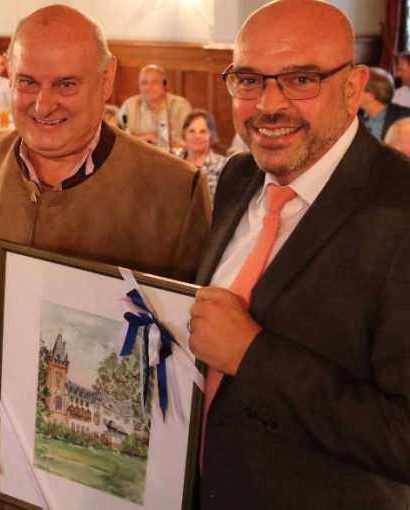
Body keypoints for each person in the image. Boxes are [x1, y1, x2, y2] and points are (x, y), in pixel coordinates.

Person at [0, 5, 211, 509]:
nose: (43, 104)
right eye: (27, 82)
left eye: (66, 84)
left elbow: (191, 357)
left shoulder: (176, 193)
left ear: (107, 78)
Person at [188, 1, 410, 509]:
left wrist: (254, 356)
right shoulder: (240, 176)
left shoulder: (401, 211)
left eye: (300, 79)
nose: (268, 104)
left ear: (353, 87)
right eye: (248, 79)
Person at [119, 64, 192, 151]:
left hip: (173, 160)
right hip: (137, 159)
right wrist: (150, 136)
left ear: (165, 85)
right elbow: (122, 141)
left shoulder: (180, 106)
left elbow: (190, 144)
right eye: (144, 83)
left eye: (154, 82)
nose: (149, 87)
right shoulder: (129, 106)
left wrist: (162, 143)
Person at [175, 109, 227, 202]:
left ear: (211, 135)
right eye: (192, 131)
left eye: (203, 131)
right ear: (184, 134)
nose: (197, 136)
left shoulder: (223, 165)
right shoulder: (174, 163)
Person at [359, 66, 410, 140]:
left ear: (370, 96)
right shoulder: (354, 115)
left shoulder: (406, 119)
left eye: (357, 88)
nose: (349, 92)